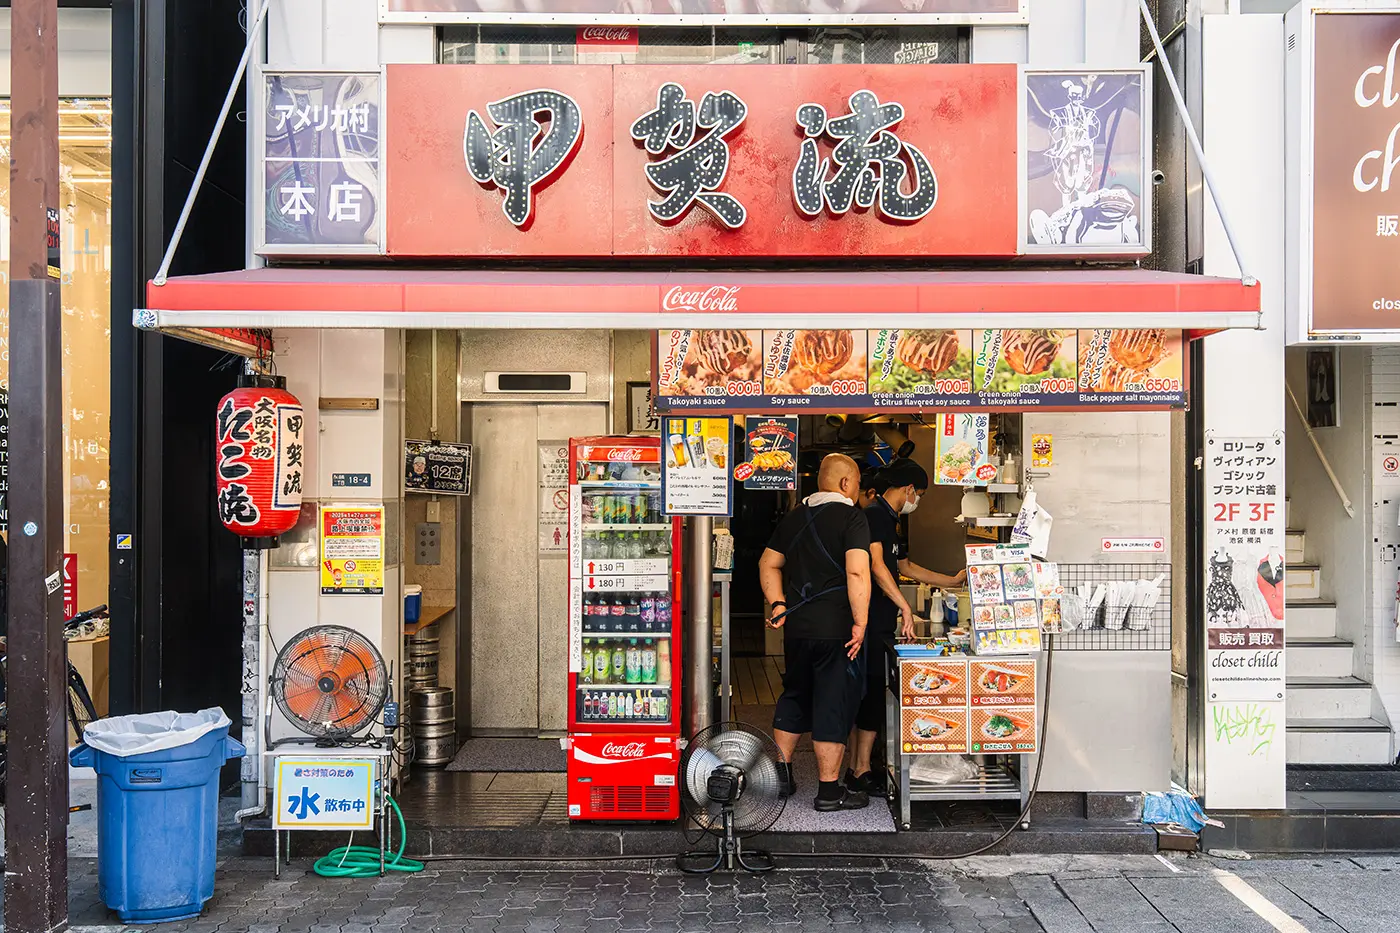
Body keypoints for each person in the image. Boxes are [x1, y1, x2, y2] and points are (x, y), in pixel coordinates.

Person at [759, 453, 872, 812]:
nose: (856, 490)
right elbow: (857, 573)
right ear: (845, 483)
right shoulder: (853, 517)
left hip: (798, 627)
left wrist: (778, 604)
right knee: (830, 703)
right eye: (855, 483)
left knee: (794, 694)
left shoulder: (796, 516)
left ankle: (782, 777)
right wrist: (861, 621)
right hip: (836, 628)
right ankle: (828, 792)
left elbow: (768, 563)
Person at [847, 458, 966, 794]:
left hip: (882, 620)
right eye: (921, 495)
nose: (919, 501)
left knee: (872, 693)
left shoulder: (892, 520)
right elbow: (876, 566)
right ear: (909, 489)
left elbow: (906, 566)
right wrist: (904, 606)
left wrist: (951, 580)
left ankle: (861, 767)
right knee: (869, 694)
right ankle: (859, 771)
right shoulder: (873, 515)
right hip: (868, 620)